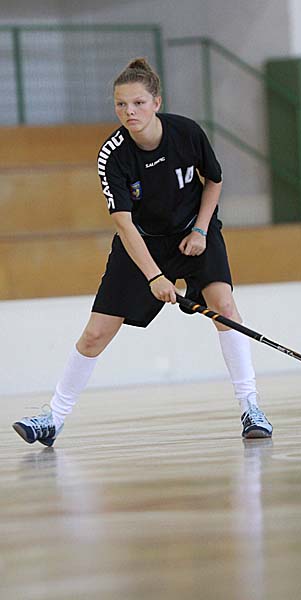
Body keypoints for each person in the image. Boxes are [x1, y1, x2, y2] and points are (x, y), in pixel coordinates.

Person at [12, 58, 273, 446]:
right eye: (121, 105)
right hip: (142, 242)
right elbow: (123, 223)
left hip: (193, 233)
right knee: (95, 333)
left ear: (156, 103)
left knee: (224, 307)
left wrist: (201, 230)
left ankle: (251, 407)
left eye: (137, 103)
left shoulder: (187, 133)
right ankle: (53, 417)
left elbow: (214, 181)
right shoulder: (113, 155)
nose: (129, 112)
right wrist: (154, 275)